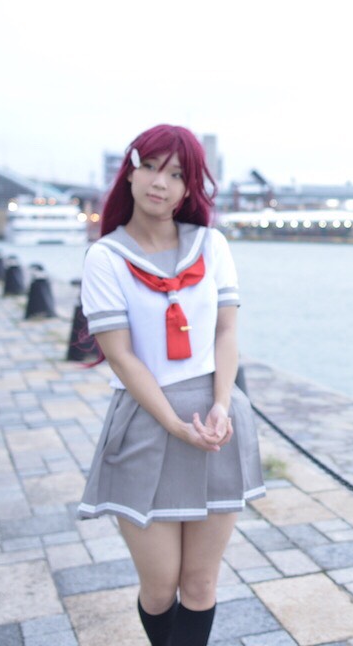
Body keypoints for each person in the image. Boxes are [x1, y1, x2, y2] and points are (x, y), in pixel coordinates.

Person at [77, 124, 264, 646]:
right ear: (130, 171)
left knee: (200, 584)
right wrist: (175, 425)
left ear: (189, 188)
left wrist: (222, 404)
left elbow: (226, 332)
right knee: (160, 589)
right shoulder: (106, 258)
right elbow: (121, 357)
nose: (161, 182)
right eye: (152, 167)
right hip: (146, 422)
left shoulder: (212, 245)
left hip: (215, 420)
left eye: (177, 174)